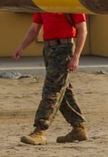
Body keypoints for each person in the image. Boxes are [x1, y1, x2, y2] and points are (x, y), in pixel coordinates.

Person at [13, 12, 89, 145]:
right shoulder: (44, 4)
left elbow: (82, 29)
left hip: (64, 48)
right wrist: (21, 46)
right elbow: (34, 29)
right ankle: (78, 127)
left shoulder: (69, 3)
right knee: (63, 90)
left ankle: (40, 130)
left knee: (52, 90)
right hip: (49, 49)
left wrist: (76, 56)